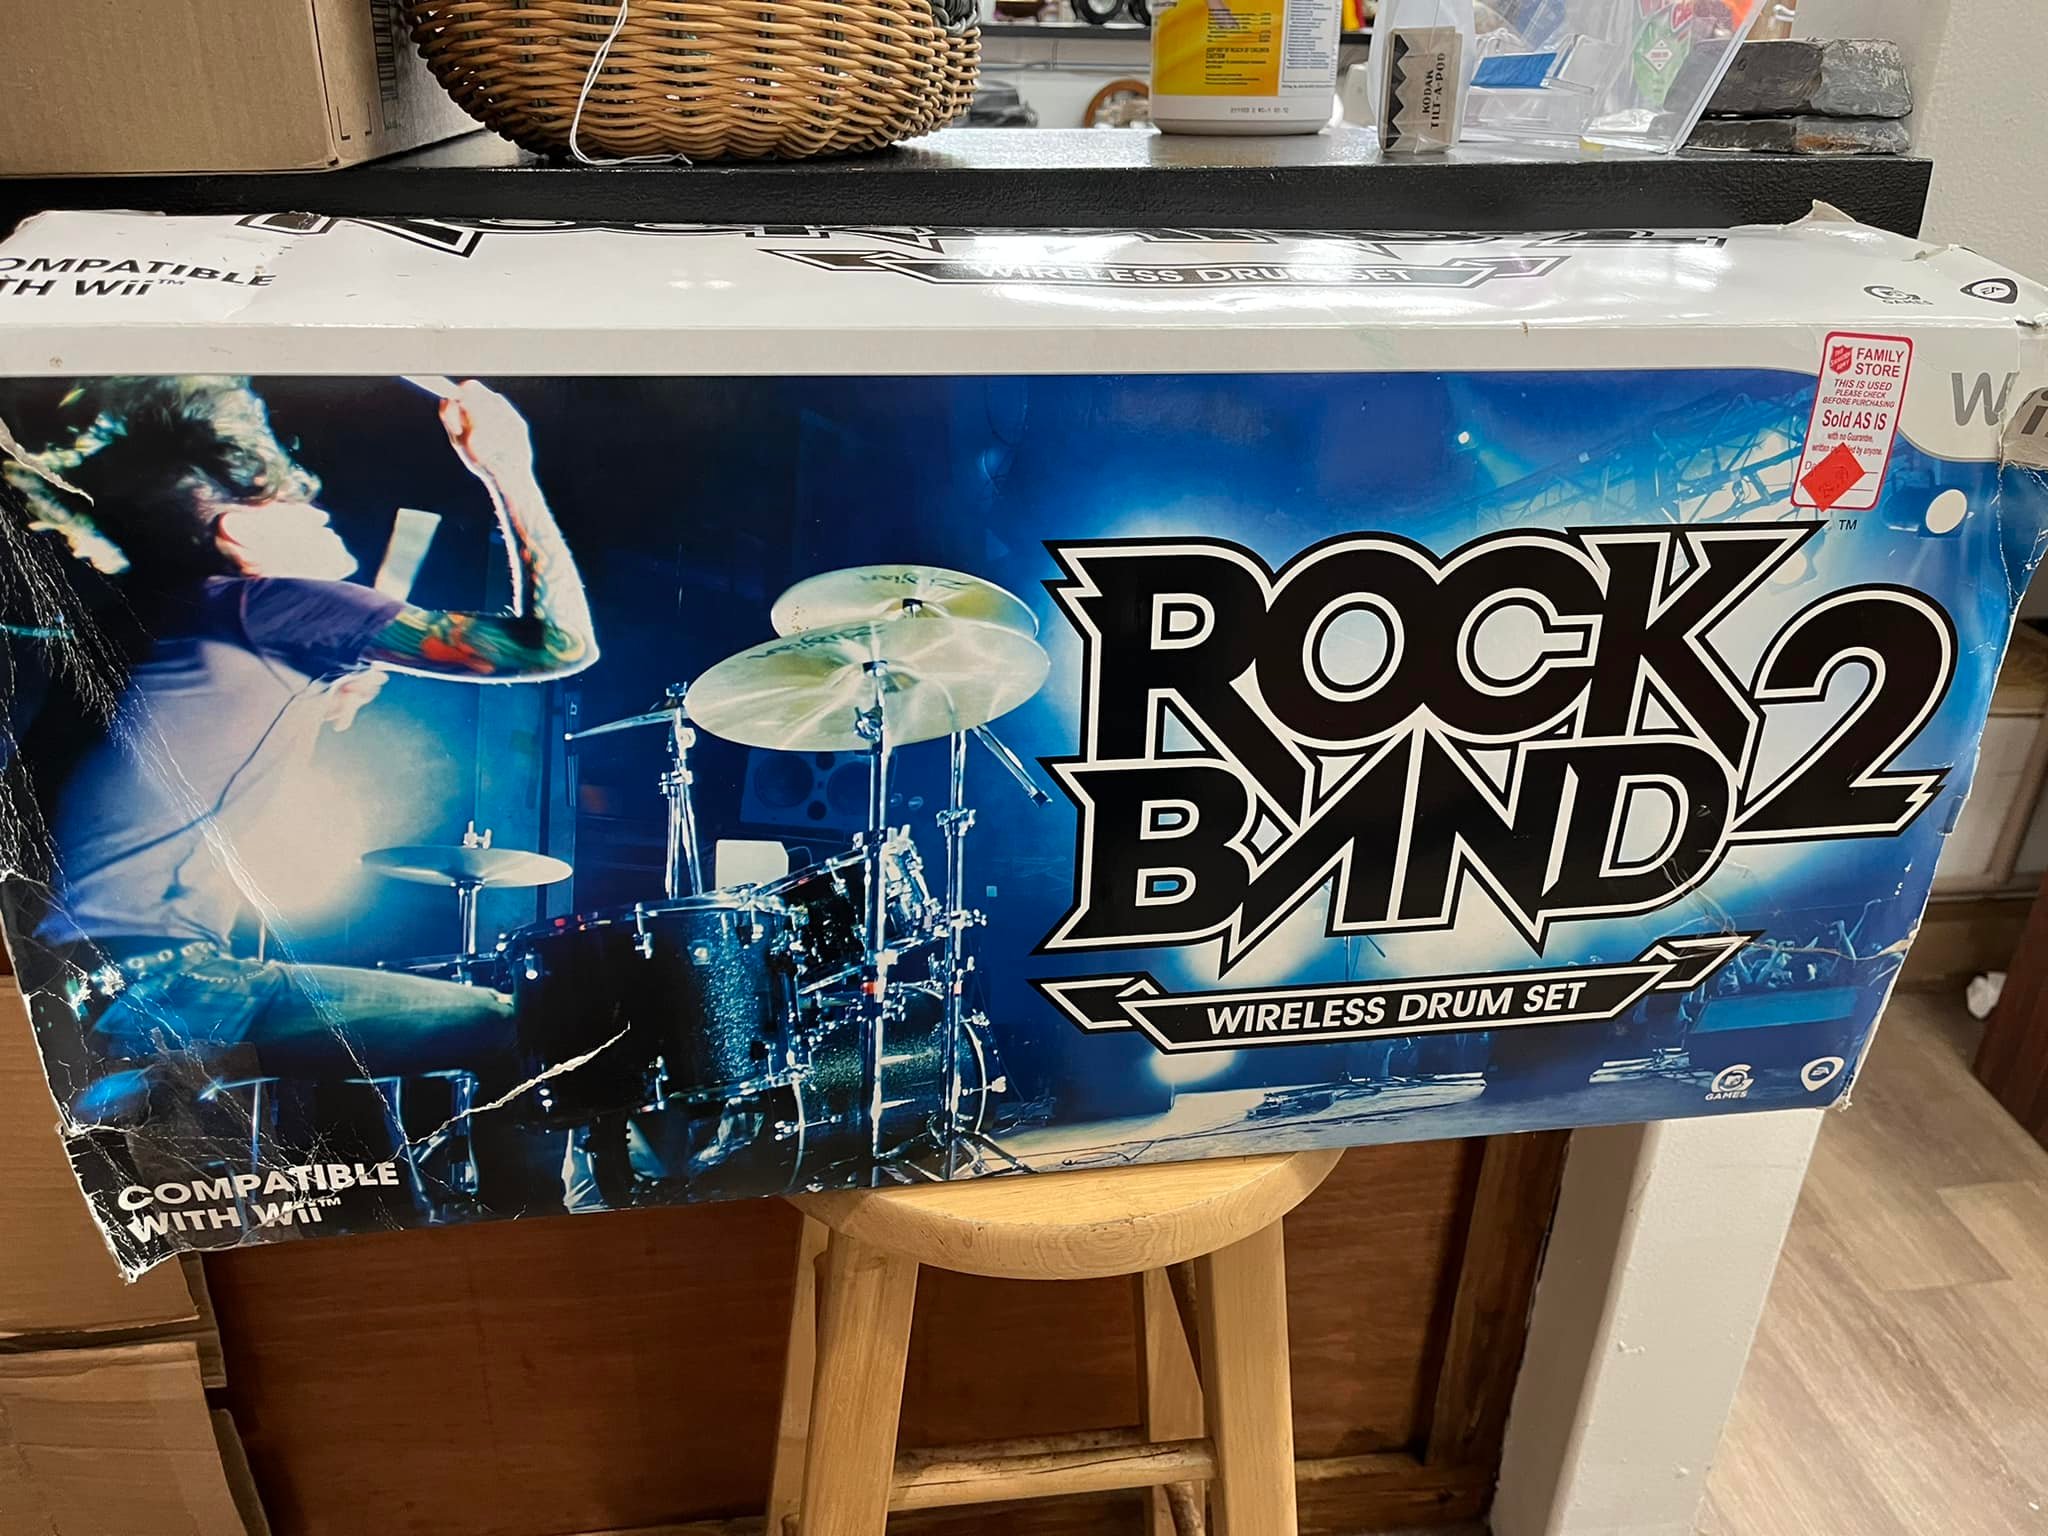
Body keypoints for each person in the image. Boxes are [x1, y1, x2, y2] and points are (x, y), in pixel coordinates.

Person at [2, 374, 597, 1085]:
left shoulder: (155, 618)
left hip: (63, 981)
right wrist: (507, 466)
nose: (318, 513)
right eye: (292, 504)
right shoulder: (268, 603)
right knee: (526, 1024)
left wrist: (321, 691)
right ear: (239, 531)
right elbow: (558, 645)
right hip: (159, 983)